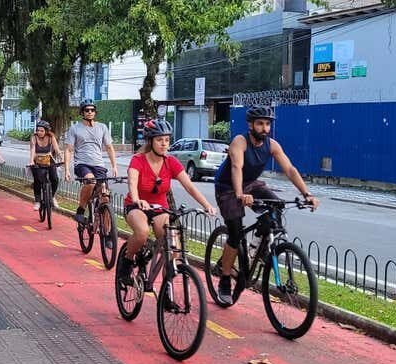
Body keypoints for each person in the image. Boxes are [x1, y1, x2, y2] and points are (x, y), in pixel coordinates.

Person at [214, 105, 320, 304]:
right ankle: (225, 278)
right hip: (228, 187)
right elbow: (237, 167)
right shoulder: (240, 141)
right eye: (260, 124)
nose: (264, 128)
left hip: (252, 184)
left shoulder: (272, 145)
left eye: (267, 124)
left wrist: (307, 194)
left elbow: (289, 169)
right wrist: (240, 194)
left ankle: (257, 249)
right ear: (250, 125)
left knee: (276, 207)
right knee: (235, 233)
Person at [119, 119, 216, 280]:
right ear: (150, 141)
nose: (164, 144)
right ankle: (127, 261)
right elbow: (132, 182)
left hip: (160, 208)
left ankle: (167, 291)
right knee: (142, 232)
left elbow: (190, 187)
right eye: (159, 140)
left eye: (167, 140)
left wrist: (207, 205)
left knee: (172, 248)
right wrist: (137, 200)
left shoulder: (171, 162)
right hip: (136, 206)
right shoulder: (138, 160)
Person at [64, 99, 118, 225]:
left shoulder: (102, 127)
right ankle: (81, 209)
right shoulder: (75, 129)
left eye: (92, 110)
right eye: (87, 110)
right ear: (82, 112)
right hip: (82, 164)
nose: (89, 112)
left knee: (105, 198)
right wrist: (67, 169)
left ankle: (109, 232)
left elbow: (109, 147)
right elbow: (68, 150)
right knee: (90, 181)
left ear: (95, 112)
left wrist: (114, 166)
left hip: (99, 165)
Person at [29, 120, 63, 210]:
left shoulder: (51, 137)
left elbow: (57, 149)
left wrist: (62, 158)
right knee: (38, 180)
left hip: (49, 160)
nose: (39, 132)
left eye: (41, 131)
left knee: (55, 179)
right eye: (38, 130)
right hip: (37, 160)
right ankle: (37, 201)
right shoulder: (34, 137)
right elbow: (32, 149)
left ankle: (52, 197)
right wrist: (31, 161)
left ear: (46, 131)